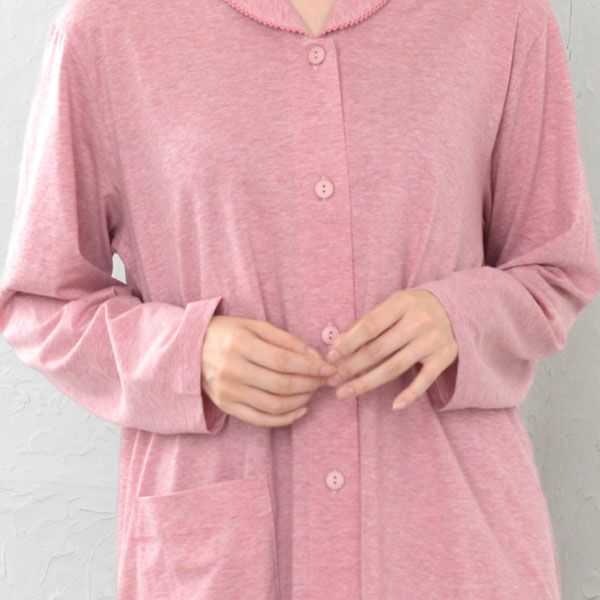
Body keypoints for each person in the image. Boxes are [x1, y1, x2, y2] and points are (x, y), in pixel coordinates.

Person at [1, 0, 599, 597]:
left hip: (448, 538)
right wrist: (186, 354)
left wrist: (459, 317)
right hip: (224, 556)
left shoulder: (502, 20)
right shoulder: (109, 31)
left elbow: (557, 269)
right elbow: (42, 302)